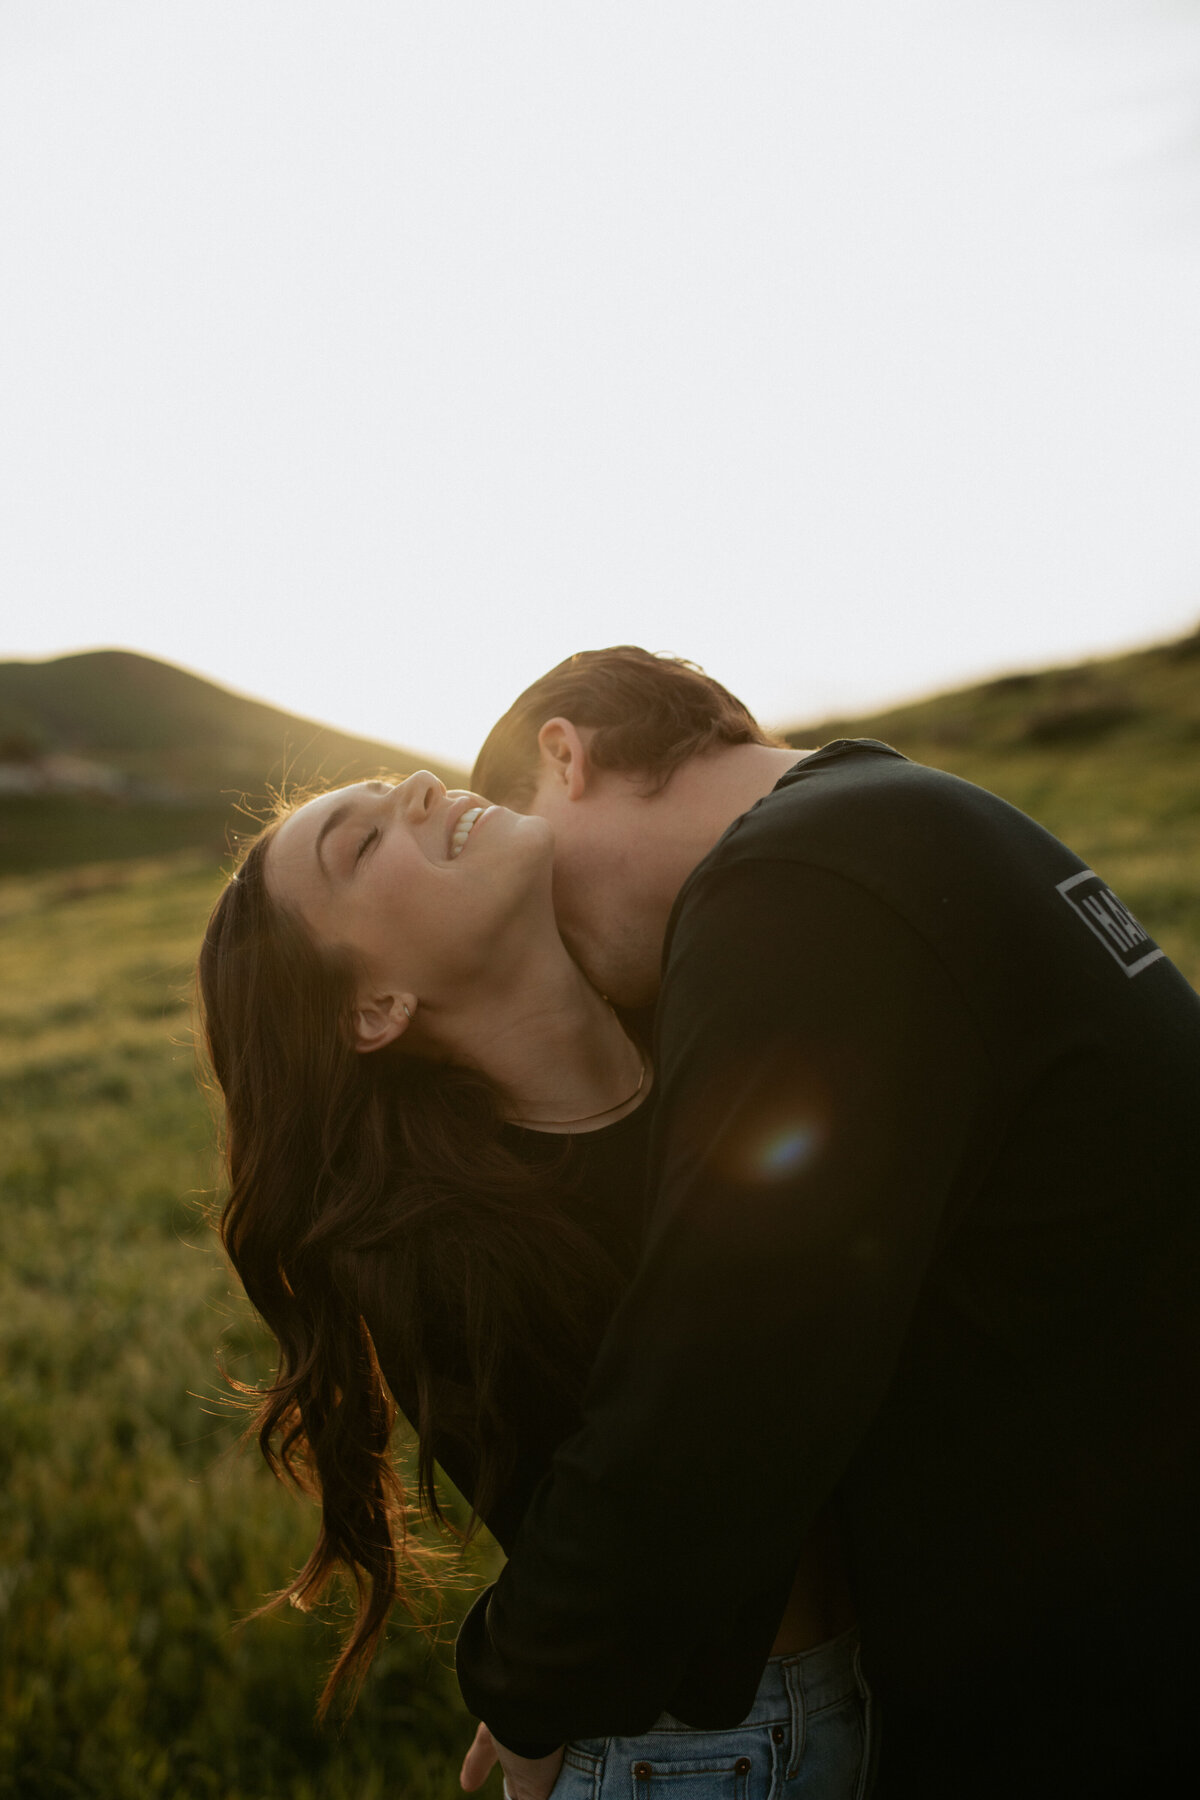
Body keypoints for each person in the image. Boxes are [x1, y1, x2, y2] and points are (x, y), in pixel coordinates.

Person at [454, 646, 1200, 1800]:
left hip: (1113, 1683)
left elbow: (722, 1363)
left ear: (566, 757)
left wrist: (534, 1673)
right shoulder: (905, 815)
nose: (574, 969)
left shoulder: (793, 886)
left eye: (536, 887)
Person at [196, 772, 871, 1800]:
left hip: (899, 1673)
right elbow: (653, 1495)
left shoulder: (711, 1034)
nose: (421, 784)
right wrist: (523, 1682)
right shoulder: (440, 1253)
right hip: (703, 1754)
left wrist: (526, 1676)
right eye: (364, 845)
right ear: (376, 1007)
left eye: (390, 789)